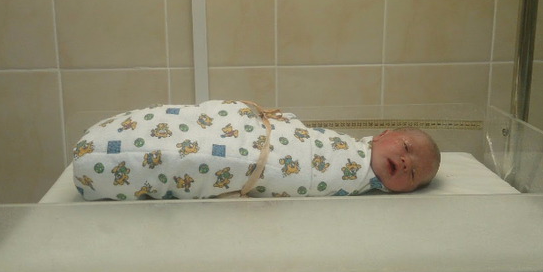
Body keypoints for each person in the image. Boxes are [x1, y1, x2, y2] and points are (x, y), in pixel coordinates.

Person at [72, 100, 440, 200]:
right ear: (383, 134)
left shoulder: (364, 185)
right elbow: (304, 138)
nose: (405, 161)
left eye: (412, 174)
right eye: (406, 147)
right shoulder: (347, 145)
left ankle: (115, 164)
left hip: (247, 167)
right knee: (197, 127)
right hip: (254, 136)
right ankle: (115, 145)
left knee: (195, 158)